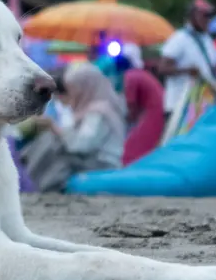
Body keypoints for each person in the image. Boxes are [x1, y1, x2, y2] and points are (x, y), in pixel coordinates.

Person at [21, 63, 126, 192]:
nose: (72, 93)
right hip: (90, 158)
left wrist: (54, 127)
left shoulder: (98, 112)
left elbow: (81, 145)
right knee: (49, 140)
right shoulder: (90, 108)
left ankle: (41, 188)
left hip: (102, 162)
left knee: (56, 152)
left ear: (85, 88)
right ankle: (28, 178)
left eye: (74, 88)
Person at [157, 0, 216, 118]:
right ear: (193, 16)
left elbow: (215, 69)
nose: (208, 20)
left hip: (201, 106)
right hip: (179, 106)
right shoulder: (179, 38)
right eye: (204, 16)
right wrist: (187, 71)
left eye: (209, 16)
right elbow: (162, 68)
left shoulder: (207, 39)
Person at [122, 68, 165, 166]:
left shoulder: (129, 78)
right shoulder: (138, 74)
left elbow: (131, 107)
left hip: (153, 112)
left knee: (135, 150)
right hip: (158, 109)